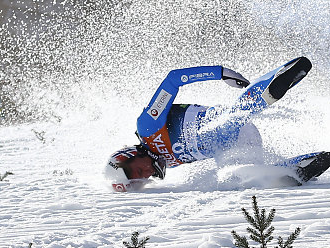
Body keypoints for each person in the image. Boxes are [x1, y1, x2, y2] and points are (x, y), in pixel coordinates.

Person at [105, 57, 312, 192]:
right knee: (231, 178)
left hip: (226, 121)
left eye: (139, 172)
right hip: (243, 144)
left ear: (130, 156)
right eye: (143, 179)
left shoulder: (147, 127)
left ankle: (268, 89)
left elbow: (173, 79)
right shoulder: (170, 162)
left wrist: (221, 73)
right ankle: (282, 172)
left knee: (223, 126)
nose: (148, 174)